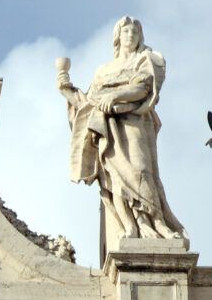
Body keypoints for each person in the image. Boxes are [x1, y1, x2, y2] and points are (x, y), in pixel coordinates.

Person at [57, 16, 185, 245]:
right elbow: (89, 103)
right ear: (118, 36)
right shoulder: (104, 70)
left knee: (141, 170)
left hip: (134, 123)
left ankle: (153, 223)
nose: (131, 35)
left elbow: (143, 87)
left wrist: (115, 96)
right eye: (126, 31)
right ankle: (130, 226)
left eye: (135, 32)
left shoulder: (146, 59)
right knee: (114, 178)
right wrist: (66, 87)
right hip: (107, 127)